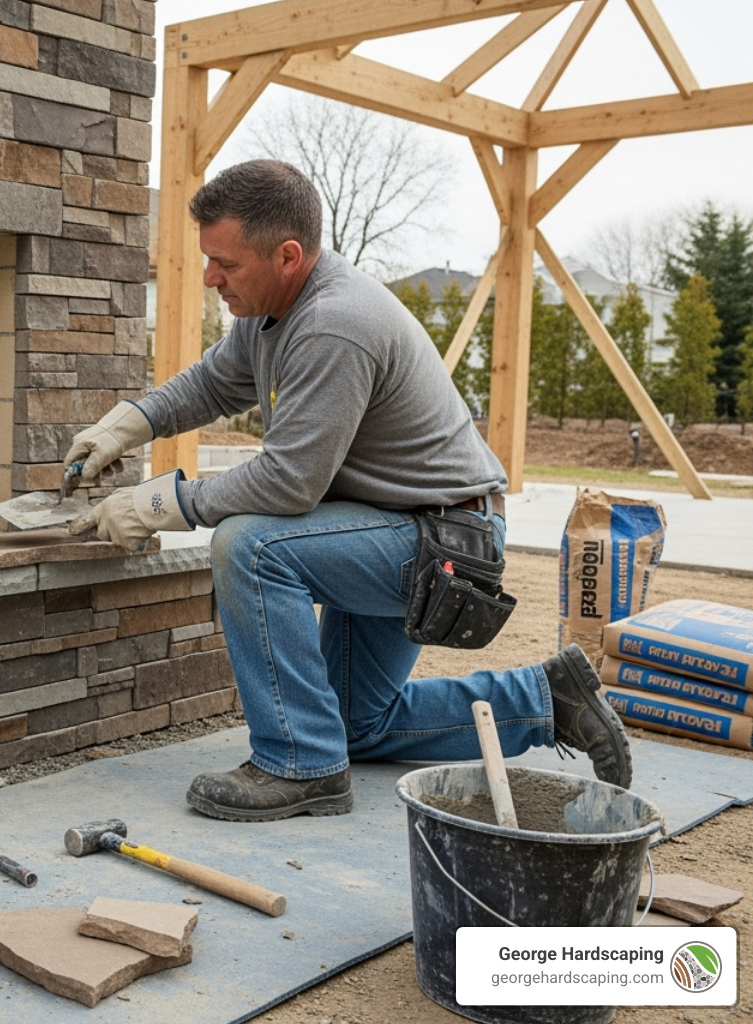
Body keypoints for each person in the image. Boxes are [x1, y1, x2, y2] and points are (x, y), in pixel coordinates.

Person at [63, 159, 632, 822]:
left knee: (250, 546)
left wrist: (160, 504)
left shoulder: (335, 322)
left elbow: (288, 480)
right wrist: (126, 423)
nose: (211, 277)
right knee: (356, 724)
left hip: (440, 542)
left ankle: (299, 767)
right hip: (388, 525)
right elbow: (213, 385)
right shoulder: (270, 311)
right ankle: (546, 699)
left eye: (225, 264)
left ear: (288, 254)